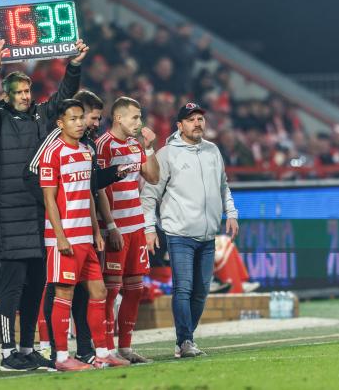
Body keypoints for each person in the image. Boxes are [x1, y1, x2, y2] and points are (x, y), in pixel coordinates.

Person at [0, 38, 88, 372]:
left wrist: (75, 65)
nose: (26, 96)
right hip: (10, 218)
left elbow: (65, 98)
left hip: (38, 215)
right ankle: (8, 353)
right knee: (12, 287)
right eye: (20, 93)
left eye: (28, 91)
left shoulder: (41, 117)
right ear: (8, 96)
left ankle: (26, 348)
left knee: (36, 285)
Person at [36, 90, 127, 365]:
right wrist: (60, 237)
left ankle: (101, 354)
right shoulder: (52, 153)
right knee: (64, 295)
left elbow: (87, 194)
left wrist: (97, 232)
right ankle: (62, 357)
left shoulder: (87, 151)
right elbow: (48, 199)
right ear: (60, 124)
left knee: (99, 293)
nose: (79, 123)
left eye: (80, 118)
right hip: (63, 240)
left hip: (86, 238)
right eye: (72, 119)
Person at [141, 102, 238, 358]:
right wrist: (149, 228)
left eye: (200, 119)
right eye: (191, 119)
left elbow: (223, 185)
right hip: (179, 234)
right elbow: (149, 195)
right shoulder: (167, 154)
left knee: (201, 291)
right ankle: (185, 340)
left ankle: (185, 339)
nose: (197, 123)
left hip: (208, 235)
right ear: (179, 126)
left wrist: (232, 213)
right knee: (183, 288)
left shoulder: (212, 150)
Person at [95, 96, 159, 363]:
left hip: (136, 226)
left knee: (135, 289)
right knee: (111, 290)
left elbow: (153, 177)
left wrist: (151, 147)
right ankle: (107, 349)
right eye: (134, 117)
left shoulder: (135, 144)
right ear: (118, 118)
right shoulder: (103, 146)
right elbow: (99, 188)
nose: (139, 122)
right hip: (116, 229)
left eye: (140, 116)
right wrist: (110, 227)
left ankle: (126, 347)